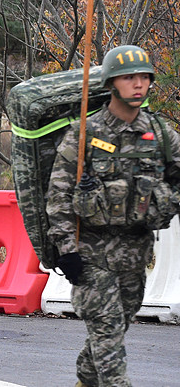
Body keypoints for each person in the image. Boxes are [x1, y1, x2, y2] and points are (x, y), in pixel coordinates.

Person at [46, 45, 180, 387]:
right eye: (129, 77)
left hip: (135, 257)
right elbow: (59, 196)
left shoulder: (161, 134)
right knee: (107, 335)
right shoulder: (84, 135)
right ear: (111, 84)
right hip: (92, 256)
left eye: (144, 77)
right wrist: (67, 250)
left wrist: (167, 199)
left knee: (111, 333)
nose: (138, 84)